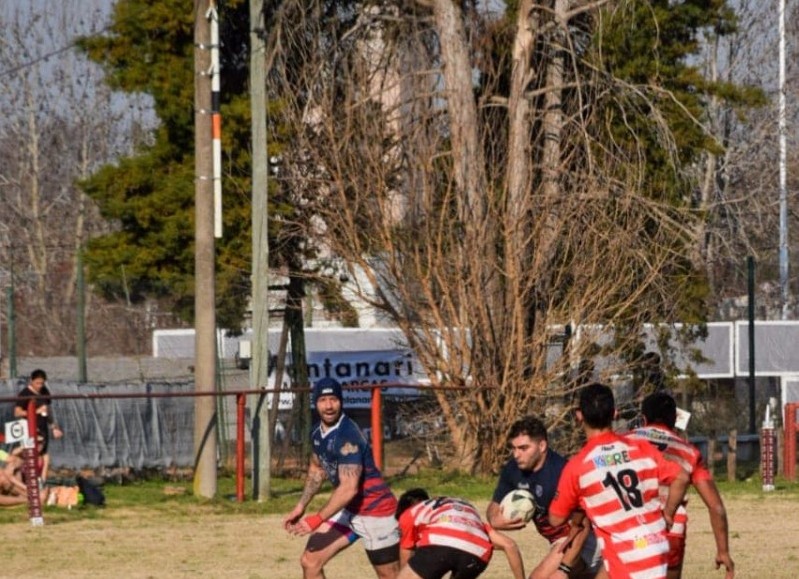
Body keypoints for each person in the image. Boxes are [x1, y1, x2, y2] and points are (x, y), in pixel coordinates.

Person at [549, 383, 690, 579]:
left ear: (579, 415)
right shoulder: (641, 448)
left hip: (626, 556)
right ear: (615, 413)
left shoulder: (578, 466)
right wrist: (667, 515)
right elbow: (682, 477)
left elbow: (555, 519)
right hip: (655, 545)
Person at [283, 377, 400, 579]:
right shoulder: (317, 433)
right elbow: (316, 469)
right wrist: (301, 506)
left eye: (333, 399)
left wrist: (317, 519)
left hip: (376, 513)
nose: (329, 406)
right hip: (349, 511)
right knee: (310, 561)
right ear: (315, 402)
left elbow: (348, 488)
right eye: (323, 400)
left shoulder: (348, 436)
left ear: (341, 401)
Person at [627, 392, 734, 579]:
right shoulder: (688, 451)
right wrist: (723, 551)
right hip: (671, 533)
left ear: (643, 419)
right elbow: (716, 507)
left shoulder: (624, 443)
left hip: (629, 530)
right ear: (675, 419)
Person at [486, 416, 601, 579]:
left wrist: (565, 568)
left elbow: (583, 525)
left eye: (523, 448)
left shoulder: (561, 472)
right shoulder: (512, 469)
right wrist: (494, 519)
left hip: (584, 541)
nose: (517, 454)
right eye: (514, 448)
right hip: (560, 542)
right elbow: (494, 507)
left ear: (542, 445)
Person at [396, 488, 525, 579]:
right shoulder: (466, 516)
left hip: (439, 546)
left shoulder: (408, 514)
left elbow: (406, 553)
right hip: (477, 556)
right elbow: (510, 545)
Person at [14, 369, 63, 484]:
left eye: (42, 383)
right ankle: (23, 482)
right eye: (37, 383)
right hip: (29, 429)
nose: (39, 386)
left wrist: (53, 427)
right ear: (31, 381)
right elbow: (17, 412)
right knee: (27, 454)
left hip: (43, 429)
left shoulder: (45, 391)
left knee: (43, 456)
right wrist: (35, 411)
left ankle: (41, 482)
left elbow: (47, 411)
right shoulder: (24, 394)